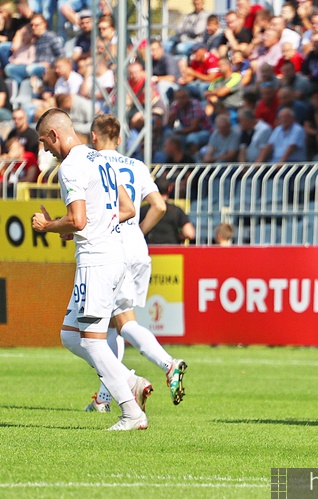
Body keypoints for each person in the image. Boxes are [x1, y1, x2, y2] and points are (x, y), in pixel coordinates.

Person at [31, 108, 149, 431]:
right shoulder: (102, 159)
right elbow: (127, 209)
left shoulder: (70, 167)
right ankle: (129, 379)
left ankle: (131, 412)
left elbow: (77, 219)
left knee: (94, 342)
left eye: (44, 143)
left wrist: (48, 225)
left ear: (55, 135)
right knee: (70, 335)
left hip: (95, 261)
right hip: (114, 254)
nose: (45, 150)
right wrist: (79, 227)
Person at [85, 114, 188, 410]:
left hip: (110, 248)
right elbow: (158, 205)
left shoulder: (93, 164)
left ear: (94, 137)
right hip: (137, 249)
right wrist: (138, 232)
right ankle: (105, 398)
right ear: (119, 139)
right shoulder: (136, 165)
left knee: (115, 325)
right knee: (119, 324)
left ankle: (167, 364)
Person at [142, 176, 196, 245]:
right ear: (170, 188)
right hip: (172, 250)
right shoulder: (176, 210)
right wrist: (178, 236)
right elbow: (189, 233)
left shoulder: (143, 210)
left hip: (150, 250)